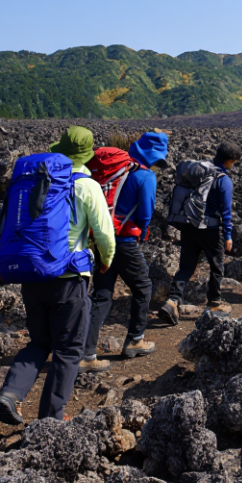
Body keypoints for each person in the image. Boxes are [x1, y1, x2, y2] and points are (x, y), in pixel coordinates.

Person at [0, 126, 115, 424]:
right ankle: (51, 418)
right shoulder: (87, 185)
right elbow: (104, 233)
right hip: (69, 279)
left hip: (32, 275)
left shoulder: (36, 179)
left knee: (38, 342)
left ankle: (10, 394)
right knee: (69, 349)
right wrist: (105, 261)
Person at [81, 132, 168, 372]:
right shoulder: (145, 176)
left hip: (101, 238)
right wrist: (143, 230)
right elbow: (146, 213)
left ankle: (85, 353)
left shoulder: (115, 170)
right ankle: (135, 339)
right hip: (125, 241)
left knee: (102, 295)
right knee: (143, 287)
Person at [159, 142, 241, 325]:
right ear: (229, 161)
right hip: (211, 230)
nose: (233, 165)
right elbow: (226, 211)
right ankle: (213, 304)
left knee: (186, 267)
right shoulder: (223, 179)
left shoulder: (201, 172)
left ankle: (172, 301)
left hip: (189, 226)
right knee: (216, 266)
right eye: (234, 162)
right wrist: (228, 235)